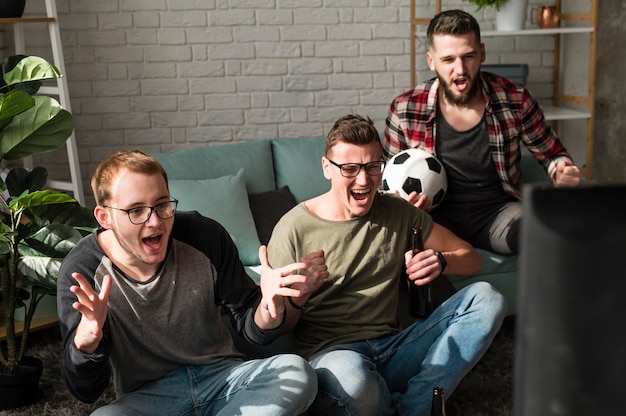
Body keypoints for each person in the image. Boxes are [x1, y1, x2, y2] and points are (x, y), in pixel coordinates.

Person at [267, 114, 507, 416]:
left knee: (487, 298)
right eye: (350, 169)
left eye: (372, 167)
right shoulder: (293, 228)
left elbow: (472, 258)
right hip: (334, 357)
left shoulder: (398, 211)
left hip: (394, 347)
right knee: (354, 382)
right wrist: (300, 296)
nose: (364, 180)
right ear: (327, 168)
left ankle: (413, 407)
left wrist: (441, 261)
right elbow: (280, 327)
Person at [56, 150, 317, 415]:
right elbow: (85, 392)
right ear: (104, 218)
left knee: (296, 371)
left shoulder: (203, 235)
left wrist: (270, 306)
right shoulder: (83, 271)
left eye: (162, 205)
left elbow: (252, 328)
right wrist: (86, 342)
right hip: (151, 397)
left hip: (224, 381)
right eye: (136, 210)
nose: (155, 221)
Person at [383, 9, 582, 255]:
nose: (460, 69)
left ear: (482, 53)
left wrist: (562, 170)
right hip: (435, 218)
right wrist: (404, 202)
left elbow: (553, 154)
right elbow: (385, 179)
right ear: (431, 61)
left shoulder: (515, 98)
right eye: (448, 60)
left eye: (468, 56)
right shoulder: (406, 108)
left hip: (498, 214)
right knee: (401, 252)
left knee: (551, 232)